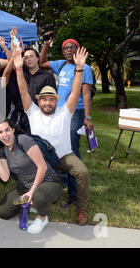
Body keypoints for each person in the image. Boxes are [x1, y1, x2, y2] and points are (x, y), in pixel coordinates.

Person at [14, 46, 91, 225]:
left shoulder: (65, 112)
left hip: (63, 155)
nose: (47, 103)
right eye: (44, 99)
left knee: (83, 172)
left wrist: (79, 68)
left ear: (56, 101)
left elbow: (75, 91)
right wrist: (18, 69)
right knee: (27, 175)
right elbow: (23, 91)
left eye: (51, 99)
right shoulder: (32, 111)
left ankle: (81, 208)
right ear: (38, 101)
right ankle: (31, 198)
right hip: (41, 158)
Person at [39, 35, 94, 206]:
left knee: (71, 151)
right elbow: (41, 63)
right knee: (56, 147)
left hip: (75, 114)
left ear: (78, 50)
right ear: (63, 51)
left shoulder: (85, 68)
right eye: (66, 48)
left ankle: (75, 194)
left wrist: (88, 117)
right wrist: (46, 45)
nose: (69, 50)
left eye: (73, 47)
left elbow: (86, 94)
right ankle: (60, 181)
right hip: (58, 113)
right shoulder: (60, 65)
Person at [0, 119, 62, 234]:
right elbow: (5, 177)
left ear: (13, 130)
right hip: (25, 186)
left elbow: (42, 167)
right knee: (3, 212)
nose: (5, 135)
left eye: (7, 130)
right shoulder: (3, 151)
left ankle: (42, 217)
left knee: (39, 196)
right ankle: (33, 203)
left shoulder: (23, 140)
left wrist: (32, 191)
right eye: (0, 132)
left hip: (48, 182)